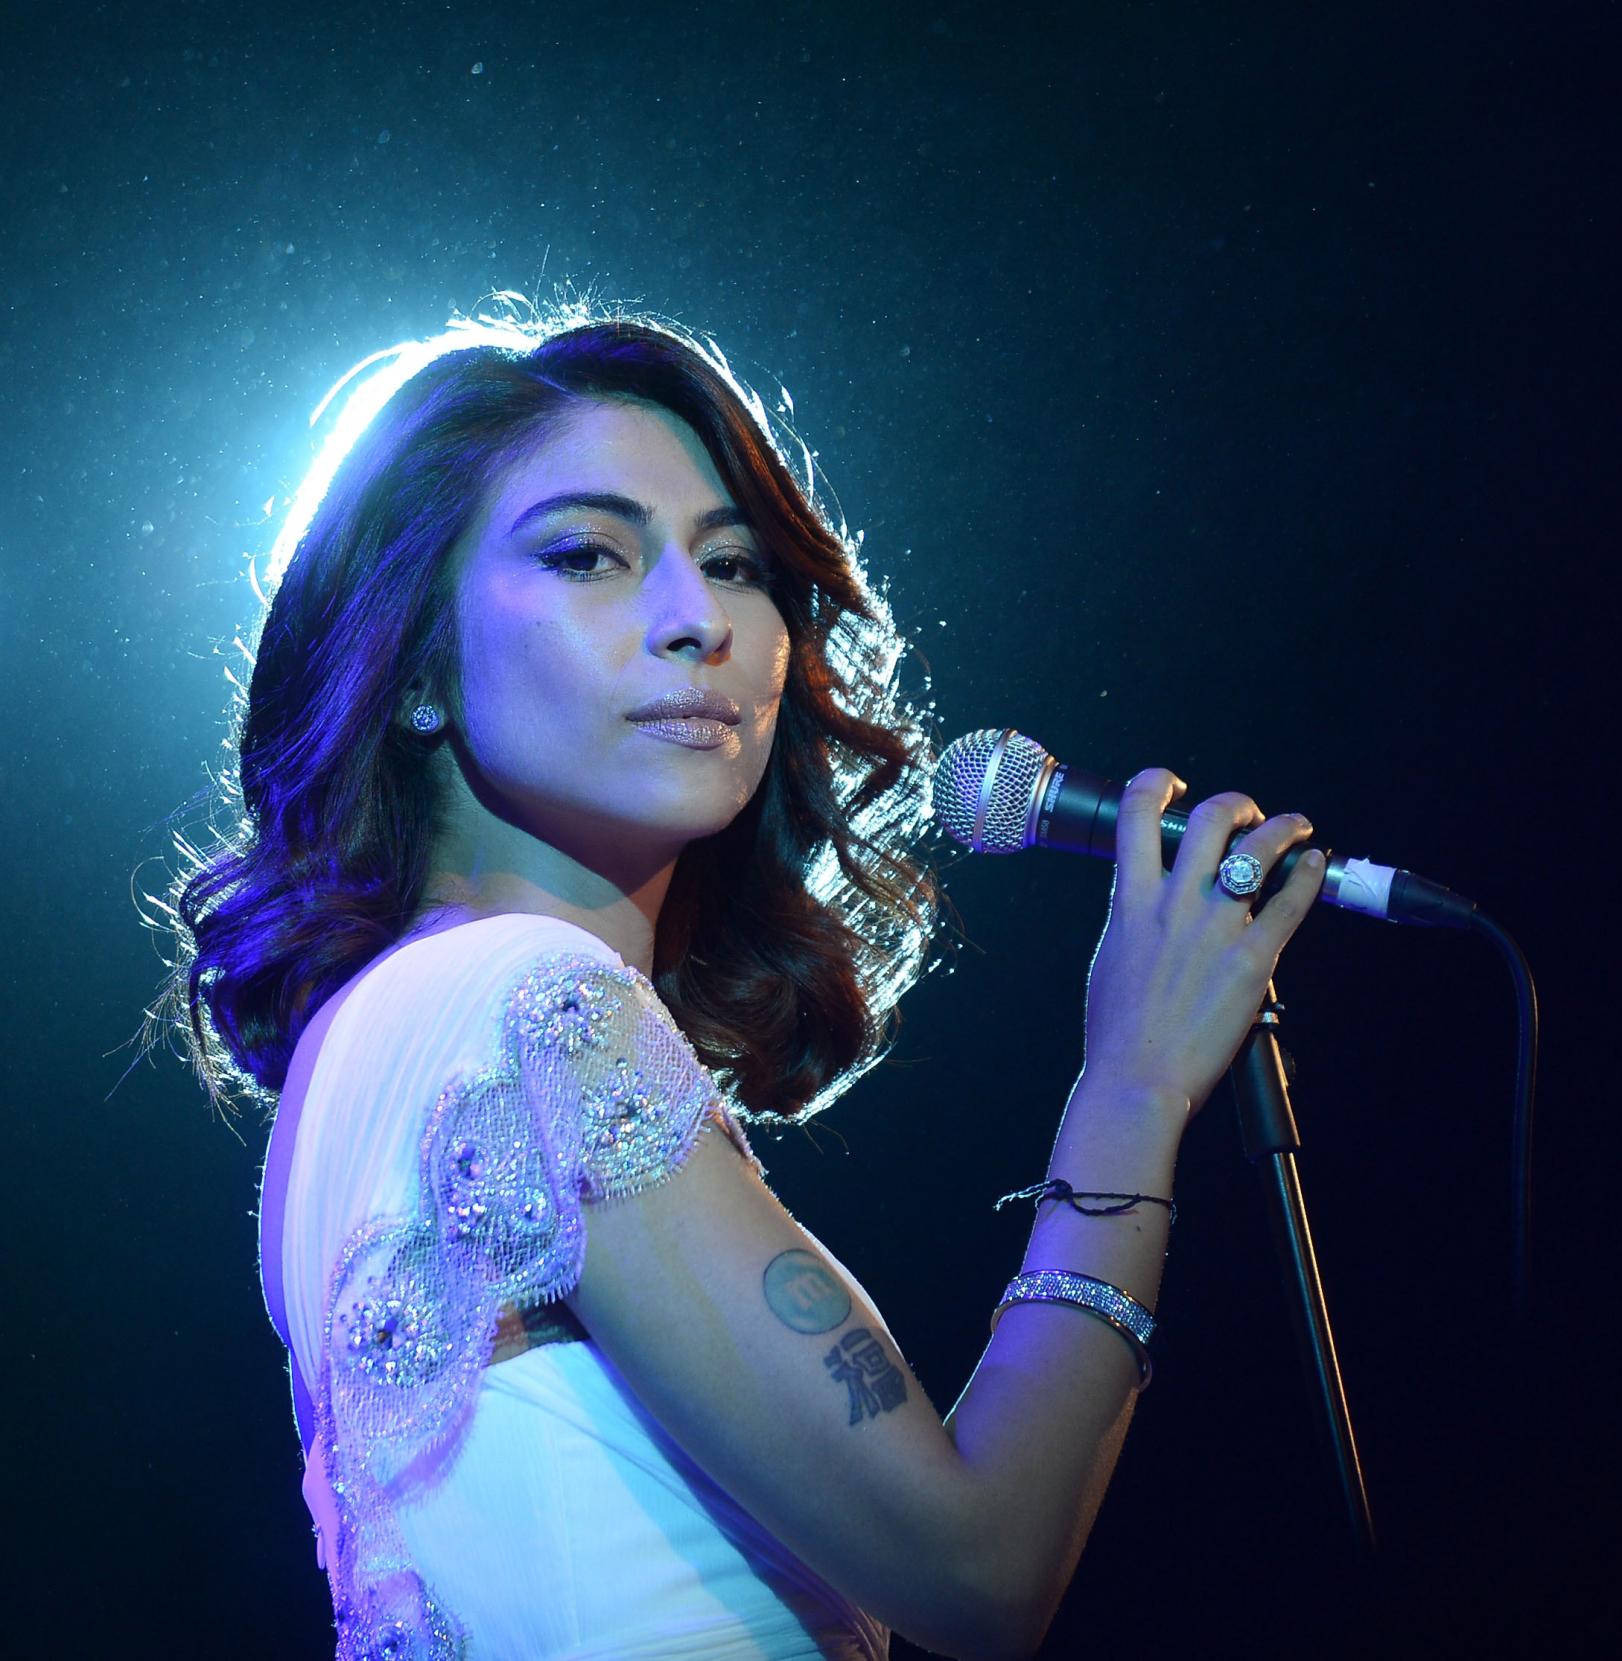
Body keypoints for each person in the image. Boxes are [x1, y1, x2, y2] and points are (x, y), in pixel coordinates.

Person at [147, 305, 1329, 1660]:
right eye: (590, 554)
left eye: (738, 564)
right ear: (413, 665)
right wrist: (1133, 1082)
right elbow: (982, 1569)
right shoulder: (533, 1003)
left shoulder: (378, 1037)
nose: (694, 618)